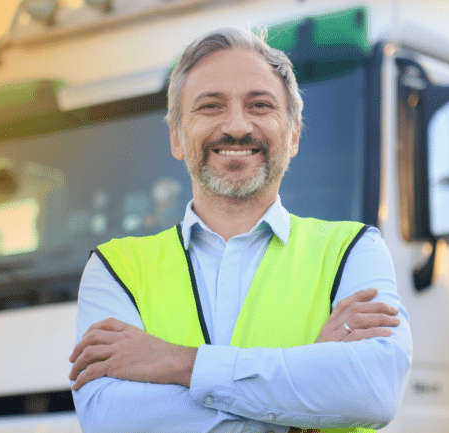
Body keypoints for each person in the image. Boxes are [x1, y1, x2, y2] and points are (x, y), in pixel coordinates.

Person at [69, 27, 412, 433]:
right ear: (177, 138)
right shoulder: (114, 269)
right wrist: (305, 401)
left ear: (294, 135)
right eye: (211, 106)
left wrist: (180, 362)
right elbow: (112, 419)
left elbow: (372, 391)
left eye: (260, 105)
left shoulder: (354, 250)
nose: (236, 126)